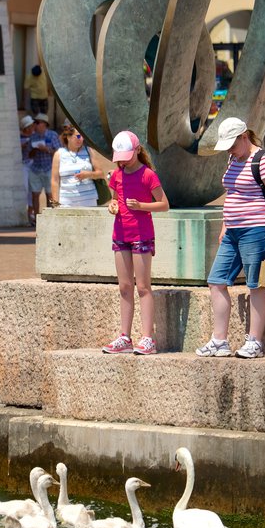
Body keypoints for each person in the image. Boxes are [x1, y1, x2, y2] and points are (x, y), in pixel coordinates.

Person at [195, 117, 265, 360]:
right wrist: (226, 223)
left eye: (232, 145)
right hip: (233, 230)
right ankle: (219, 339)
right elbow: (232, 193)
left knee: (255, 284)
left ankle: (255, 341)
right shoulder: (233, 158)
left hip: (256, 229)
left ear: (244, 137)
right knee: (216, 280)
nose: (230, 151)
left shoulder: (263, 160)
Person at [101, 130, 168, 356]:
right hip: (120, 234)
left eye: (126, 155)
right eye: (120, 156)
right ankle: (124, 336)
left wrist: (142, 206)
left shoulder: (148, 175)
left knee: (143, 286)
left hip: (141, 234)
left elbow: (164, 204)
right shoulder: (116, 176)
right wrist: (112, 206)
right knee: (124, 286)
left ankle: (147, 337)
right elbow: (113, 198)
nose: (123, 160)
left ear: (137, 150)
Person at [50, 125, 103, 208]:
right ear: (68, 137)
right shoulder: (59, 154)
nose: (80, 139)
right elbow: (54, 180)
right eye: (78, 136)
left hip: (89, 200)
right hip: (66, 201)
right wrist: (55, 204)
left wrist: (88, 174)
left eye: (82, 136)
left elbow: (100, 173)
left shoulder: (89, 151)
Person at [27, 113, 61, 222]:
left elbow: (59, 152)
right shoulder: (33, 136)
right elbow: (29, 154)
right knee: (35, 194)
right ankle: (37, 219)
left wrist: (46, 149)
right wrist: (35, 149)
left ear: (44, 124)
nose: (35, 125)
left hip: (49, 168)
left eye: (37, 123)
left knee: (50, 194)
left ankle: (49, 218)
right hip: (36, 168)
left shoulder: (52, 135)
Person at [19, 115, 36, 224]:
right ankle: (24, 211)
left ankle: (31, 212)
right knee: (25, 188)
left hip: (33, 163)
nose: (32, 127)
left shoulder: (35, 136)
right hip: (23, 165)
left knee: (32, 189)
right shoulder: (19, 137)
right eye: (29, 126)